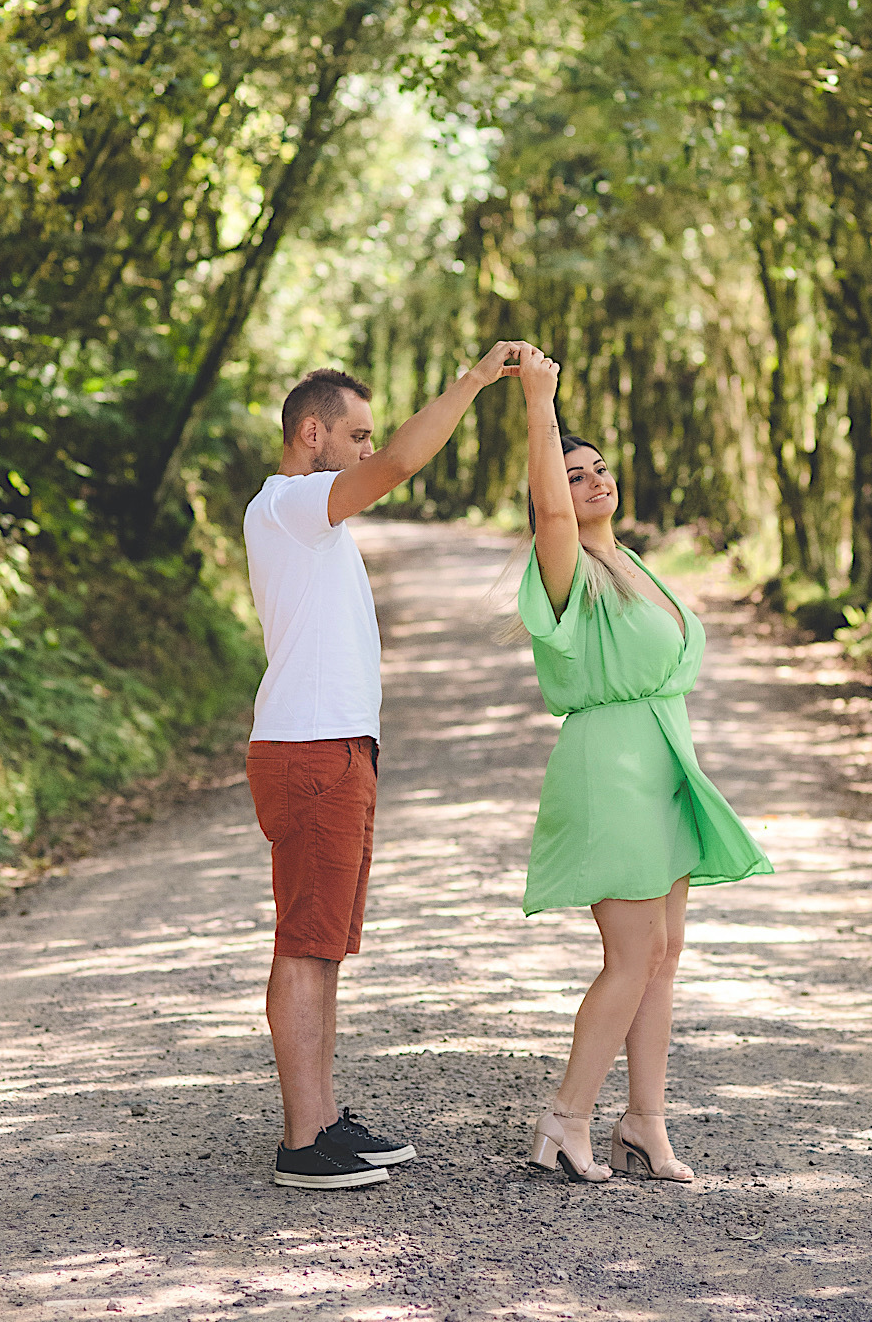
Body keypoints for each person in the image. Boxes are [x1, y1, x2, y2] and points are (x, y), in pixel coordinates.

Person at [243, 345, 528, 1190]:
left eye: (370, 437)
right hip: (311, 748)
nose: (369, 451)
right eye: (356, 435)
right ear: (311, 432)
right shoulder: (292, 502)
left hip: (337, 746)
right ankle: (303, 1145)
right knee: (304, 942)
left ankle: (324, 1120)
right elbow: (406, 461)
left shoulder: (309, 520)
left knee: (323, 944)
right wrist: (474, 380)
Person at [511, 345, 773, 1185]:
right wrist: (539, 403)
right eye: (572, 473)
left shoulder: (633, 561)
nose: (593, 482)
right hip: (609, 768)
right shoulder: (569, 570)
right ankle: (565, 1118)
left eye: (599, 469)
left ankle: (645, 1124)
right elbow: (554, 517)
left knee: (665, 951)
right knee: (630, 955)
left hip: (663, 763)